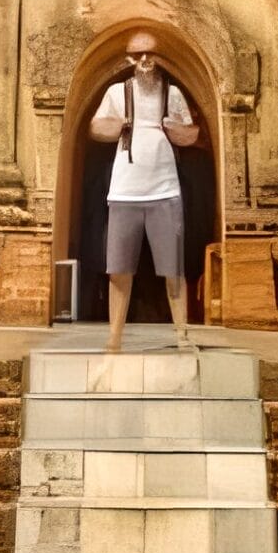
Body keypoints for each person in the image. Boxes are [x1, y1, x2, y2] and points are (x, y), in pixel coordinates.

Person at [89, 30, 199, 351]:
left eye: (150, 53)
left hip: (165, 190)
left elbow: (190, 133)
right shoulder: (116, 92)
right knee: (119, 270)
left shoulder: (172, 93)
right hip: (125, 191)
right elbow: (96, 127)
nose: (145, 60)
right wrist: (119, 124)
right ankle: (114, 338)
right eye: (138, 54)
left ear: (159, 56)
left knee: (173, 269)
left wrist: (175, 129)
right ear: (129, 59)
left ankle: (182, 335)